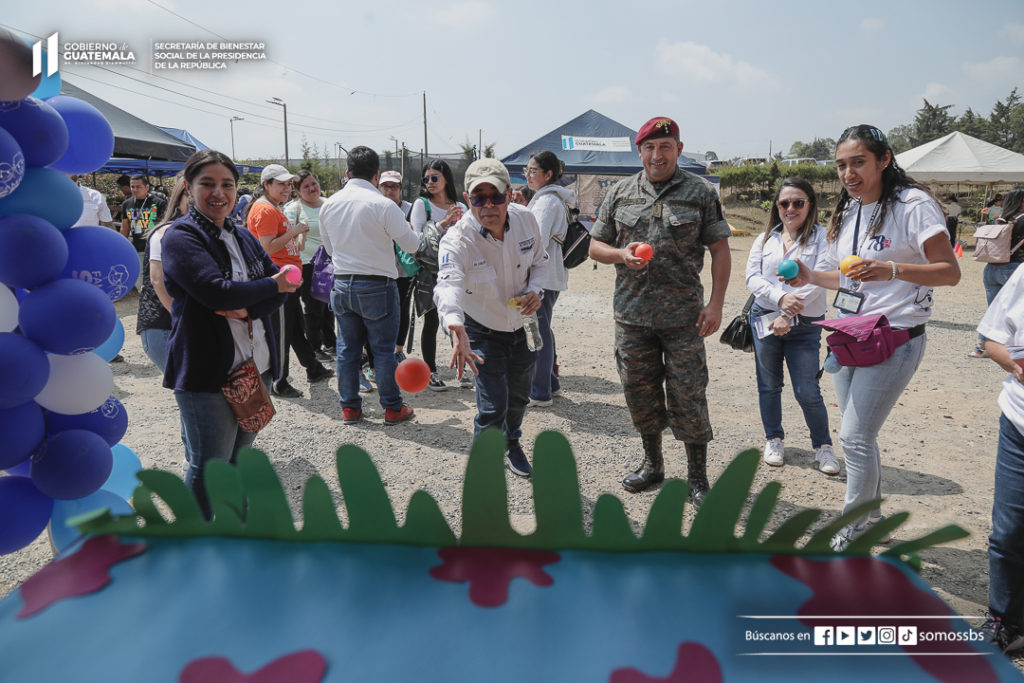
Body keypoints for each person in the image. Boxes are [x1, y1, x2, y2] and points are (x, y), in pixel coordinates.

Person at [784, 124, 960, 551]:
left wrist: (892, 269)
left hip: (895, 336)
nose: (848, 173)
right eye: (842, 165)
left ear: (884, 159)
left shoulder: (913, 205)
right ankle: (872, 512)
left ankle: (857, 526)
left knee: (856, 437)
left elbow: (950, 273)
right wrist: (809, 275)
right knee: (859, 436)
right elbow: (845, 278)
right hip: (850, 334)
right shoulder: (849, 209)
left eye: (858, 162)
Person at [588, 116, 732, 506]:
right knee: (640, 392)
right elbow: (594, 246)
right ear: (640, 151)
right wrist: (621, 254)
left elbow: (720, 248)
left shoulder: (700, 192)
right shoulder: (619, 192)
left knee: (688, 394)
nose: (657, 155)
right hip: (632, 316)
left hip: (684, 317)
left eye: (665, 147)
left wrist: (716, 303)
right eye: (649, 148)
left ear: (679, 150)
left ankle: (697, 477)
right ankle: (653, 464)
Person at [160, 150, 298, 519]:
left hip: (255, 367)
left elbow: (280, 288)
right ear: (188, 188)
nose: (218, 193)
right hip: (208, 374)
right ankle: (194, 550)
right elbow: (216, 292)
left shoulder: (242, 235)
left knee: (240, 461)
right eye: (207, 184)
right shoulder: (180, 237)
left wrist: (251, 301)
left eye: (227, 184)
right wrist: (267, 288)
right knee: (210, 467)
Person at [436, 158, 550, 477]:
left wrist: (536, 290)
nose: (488, 205)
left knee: (518, 398)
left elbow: (541, 262)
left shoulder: (527, 220)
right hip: (482, 329)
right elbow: (448, 282)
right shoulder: (458, 239)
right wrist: (455, 326)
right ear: (467, 199)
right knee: (492, 406)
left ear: (510, 194)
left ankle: (512, 443)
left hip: (525, 325)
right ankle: (483, 472)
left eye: (495, 196)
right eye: (478, 198)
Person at [319, 146, 421, 426]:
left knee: (347, 349)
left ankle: (350, 408)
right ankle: (391, 408)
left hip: (342, 284)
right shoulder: (384, 204)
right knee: (383, 350)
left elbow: (329, 249)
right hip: (378, 284)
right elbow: (412, 245)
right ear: (376, 175)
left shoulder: (329, 204)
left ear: (347, 173)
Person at [745, 177, 837, 473]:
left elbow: (821, 278)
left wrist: (790, 313)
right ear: (777, 206)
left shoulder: (824, 238)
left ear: (810, 205)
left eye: (799, 202)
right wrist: (781, 298)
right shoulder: (765, 239)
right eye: (785, 203)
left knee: (807, 389)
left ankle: (823, 446)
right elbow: (752, 278)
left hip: (805, 325)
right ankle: (774, 439)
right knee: (768, 386)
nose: (791, 208)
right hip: (765, 317)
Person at [247, 164, 332, 398]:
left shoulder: (273, 207)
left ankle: (313, 368)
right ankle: (279, 381)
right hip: (277, 279)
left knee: (293, 327)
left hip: (286, 277)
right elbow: (267, 247)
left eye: (287, 184)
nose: (286, 188)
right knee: (282, 330)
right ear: (267, 185)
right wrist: (294, 232)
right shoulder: (265, 210)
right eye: (281, 184)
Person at [976, 264, 1024, 655]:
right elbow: (992, 337)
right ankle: (1004, 619)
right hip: (1019, 423)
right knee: (1007, 531)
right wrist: (1014, 365)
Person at [409, 160, 468, 391]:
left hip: (457, 269)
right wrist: (444, 223)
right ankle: (431, 370)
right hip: (430, 272)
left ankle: (462, 369)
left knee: (460, 321)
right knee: (432, 321)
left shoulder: (459, 205)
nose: (430, 183)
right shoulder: (421, 205)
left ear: (446, 179)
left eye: (435, 178)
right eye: (426, 179)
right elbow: (417, 241)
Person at [521, 151, 574, 408]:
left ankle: (540, 392)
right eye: (527, 170)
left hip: (541, 277)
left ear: (548, 174)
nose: (528, 175)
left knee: (536, 333)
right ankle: (550, 382)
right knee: (543, 329)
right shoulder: (554, 199)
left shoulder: (545, 202)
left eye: (533, 170)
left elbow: (535, 241)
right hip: (550, 275)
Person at [283, 170, 337, 363]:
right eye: (306, 186)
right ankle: (314, 347)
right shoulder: (293, 209)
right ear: (297, 191)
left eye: (314, 183)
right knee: (313, 307)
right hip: (308, 263)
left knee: (329, 305)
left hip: (330, 263)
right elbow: (288, 237)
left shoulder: (330, 203)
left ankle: (330, 342)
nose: (312, 188)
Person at [137, 175, 188, 372]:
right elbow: (157, 280)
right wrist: (184, 320)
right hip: (165, 326)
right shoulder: (166, 232)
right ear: (180, 197)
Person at [970, 186, 1024, 359]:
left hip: (991, 268)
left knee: (993, 311)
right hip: (1014, 268)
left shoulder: (1001, 219)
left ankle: (980, 347)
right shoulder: (1022, 219)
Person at [378, 170, 415, 361]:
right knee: (380, 312)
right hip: (380, 268)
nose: (389, 190)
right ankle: (375, 354)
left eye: (394, 186)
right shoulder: (375, 206)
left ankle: (398, 350)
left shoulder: (410, 208)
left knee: (402, 309)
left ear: (400, 188)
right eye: (385, 186)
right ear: (379, 187)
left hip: (404, 269)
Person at [120, 174, 168, 252]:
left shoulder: (159, 203)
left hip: (155, 247)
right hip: (137, 248)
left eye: (138, 187)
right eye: (132, 187)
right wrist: (121, 245)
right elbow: (125, 227)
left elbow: (166, 226)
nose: (135, 189)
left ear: (147, 187)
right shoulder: (126, 204)